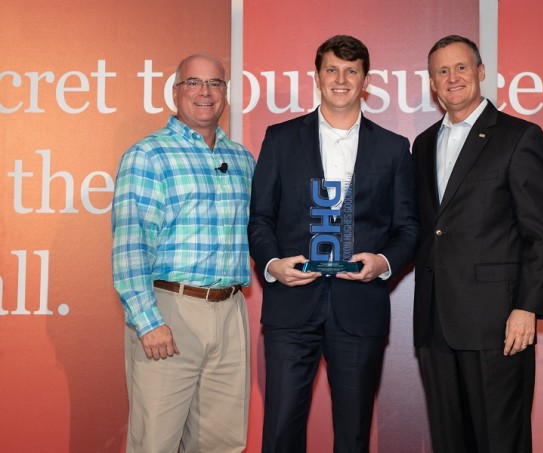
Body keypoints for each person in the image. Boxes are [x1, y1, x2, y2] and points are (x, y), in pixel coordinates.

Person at [248, 35, 420, 453]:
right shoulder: (281, 138)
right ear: (318, 76)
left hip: (359, 309)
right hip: (291, 309)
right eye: (332, 69)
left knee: (354, 434)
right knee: (281, 431)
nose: (340, 79)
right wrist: (272, 265)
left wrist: (383, 261)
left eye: (351, 71)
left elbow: (409, 228)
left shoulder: (395, 148)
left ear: (365, 80)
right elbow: (260, 219)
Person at [412, 35, 543, 453]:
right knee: (449, 442)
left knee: (501, 442)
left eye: (461, 68)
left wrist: (527, 307)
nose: (452, 78)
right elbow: (426, 229)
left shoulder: (518, 136)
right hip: (435, 323)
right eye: (442, 71)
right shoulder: (422, 145)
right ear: (432, 83)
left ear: (480, 73)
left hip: (497, 324)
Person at [111, 54, 255, 453]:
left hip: (230, 313)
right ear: (176, 92)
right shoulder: (148, 155)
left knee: (223, 444)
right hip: (169, 312)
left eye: (216, 84)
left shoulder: (243, 159)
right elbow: (131, 246)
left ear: (225, 92)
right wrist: (147, 321)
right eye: (194, 82)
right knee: (155, 443)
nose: (205, 93)